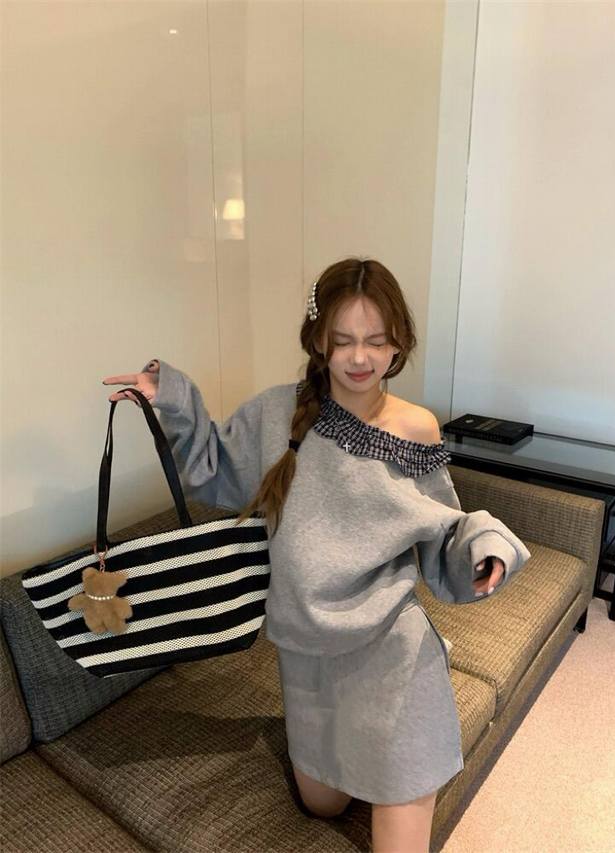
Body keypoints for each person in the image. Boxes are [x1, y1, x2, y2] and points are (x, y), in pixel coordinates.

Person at [102, 256, 531, 853]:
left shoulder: (416, 427)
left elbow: (443, 528)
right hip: (306, 653)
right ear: (318, 341)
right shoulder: (276, 414)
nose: (360, 358)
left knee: (398, 814)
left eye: (376, 341)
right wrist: (170, 399)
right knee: (322, 804)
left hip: (390, 651)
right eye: (343, 340)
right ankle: (364, 758)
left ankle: (411, 736)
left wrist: (485, 547)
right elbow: (213, 470)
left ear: (399, 342)